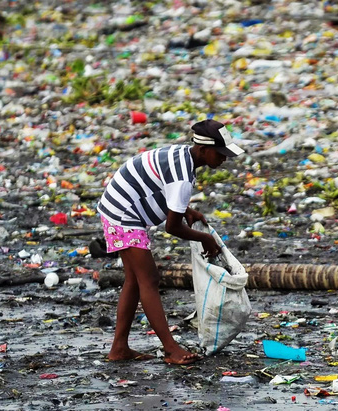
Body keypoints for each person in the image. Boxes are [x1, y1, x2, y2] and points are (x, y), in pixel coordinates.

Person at [96, 119, 244, 364]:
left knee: (135, 280)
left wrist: (185, 210)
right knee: (149, 279)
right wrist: (205, 238)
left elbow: (162, 185)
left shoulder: (183, 155)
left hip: (118, 206)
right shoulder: (183, 176)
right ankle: (170, 349)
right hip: (122, 215)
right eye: (221, 153)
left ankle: (119, 348)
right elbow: (172, 227)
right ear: (205, 150)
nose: (224, 159)